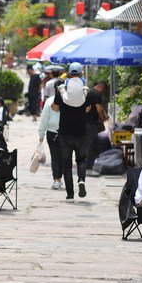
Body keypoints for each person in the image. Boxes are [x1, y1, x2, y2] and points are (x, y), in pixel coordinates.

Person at [51, 62, 93, 200]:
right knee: (81, 160)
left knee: (66, 164)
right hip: (81, 132)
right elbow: (87, 109)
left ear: (69, 73)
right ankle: (81, 179)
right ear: (81, 74)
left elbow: (55, 108)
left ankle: (70, 194)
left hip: (64, 133)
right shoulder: (86, 91)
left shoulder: (63, 90)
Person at [38, 93, 63, 190]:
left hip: (52, 132)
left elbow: (45, 117)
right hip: (66, 133)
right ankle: (60, 178)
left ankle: (57, 179)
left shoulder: (49, 101)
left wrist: (41, 133)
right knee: (64, 156)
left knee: (55, 156)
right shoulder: (69, 100)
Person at [85, 81, 110, 169]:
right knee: (91, 144)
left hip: (84, 121)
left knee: (86, 143)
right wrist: (103, 118)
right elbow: (99, 109)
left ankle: (84, 163)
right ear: (102, 88)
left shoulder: (89, 92)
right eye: (104, 91)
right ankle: (88, 165)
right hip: (91, 123)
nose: (103, 93)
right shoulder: (97, 94)